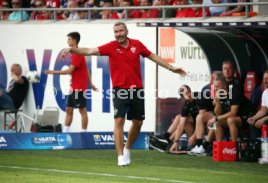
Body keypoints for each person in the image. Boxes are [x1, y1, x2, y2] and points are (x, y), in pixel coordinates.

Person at [61, 22, 186, 166]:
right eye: (116, 32)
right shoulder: (111, 46)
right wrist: (71, 50)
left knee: (138, 123)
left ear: (126, 31)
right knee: (119, 120)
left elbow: (153, 56)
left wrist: (172, 68)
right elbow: (89, 51)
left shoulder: (137, 44)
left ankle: (127, 148)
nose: (118, 34)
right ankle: (120, 156)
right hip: (119, 90)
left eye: (121, 31)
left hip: (137, 90)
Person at [45, 32, 98, 132]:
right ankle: (65, 133)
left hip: (79, 89)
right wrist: (91, 84)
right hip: (74, 88)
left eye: (69, 39)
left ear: (74, 40)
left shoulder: (77, 54)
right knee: (69, 110)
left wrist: (52, 72)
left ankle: (84, 134)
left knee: (82, 110)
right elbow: (86, 70)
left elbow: (69, 71)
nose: (67, 41)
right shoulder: (75, 53)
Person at [207, 73, 257, 142]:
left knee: (230, 120)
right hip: (236, 117)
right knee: (217, 123)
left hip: (249, 116)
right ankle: (220, 146)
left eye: (217, 87)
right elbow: (218, 113)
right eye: (214, 87)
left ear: (224, 86)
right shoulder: (220, 94)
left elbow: (233, 113)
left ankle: (234, 146)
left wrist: (216, 118)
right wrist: (218, 102)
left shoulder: (234, 93)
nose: (215, 89)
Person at [247, 70, 268, 139]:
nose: (265, 81)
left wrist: (263, 119)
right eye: (264, 78)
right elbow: (263, 110)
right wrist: (254, 118)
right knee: (253, 122)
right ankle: (256, 145)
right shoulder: (265, 92)